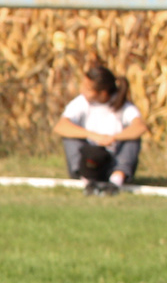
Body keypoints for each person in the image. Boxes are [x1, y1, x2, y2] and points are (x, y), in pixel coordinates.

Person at [52, 63, 147, 195]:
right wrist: (94, 136)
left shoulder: (122, 105)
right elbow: (61, 126)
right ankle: (87, 180)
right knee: (70, 136)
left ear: (102, 93)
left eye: (88, 89)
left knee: (133, 139)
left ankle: (116, 180)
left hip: (113, 161)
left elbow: (140, 127)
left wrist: (113, 138)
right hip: (90, 159)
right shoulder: (81, 102)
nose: (82, 91)